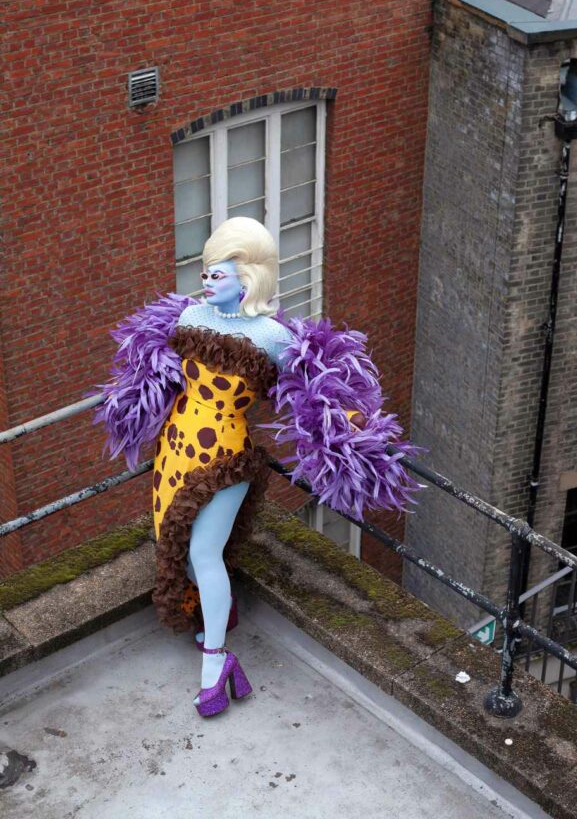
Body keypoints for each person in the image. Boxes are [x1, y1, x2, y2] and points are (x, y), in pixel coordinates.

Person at [97, 217, 418, 718]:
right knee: (172, 540)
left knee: (204, 551)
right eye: (205, 273)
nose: (206, 283)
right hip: (176, 447)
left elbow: (320, 392)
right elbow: (148, 368)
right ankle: (211, 617)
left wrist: (352, 430)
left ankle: (215, 663)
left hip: (226, 458)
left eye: (217, 275)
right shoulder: (187, 320)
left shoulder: (273, 336)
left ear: (248, 277)